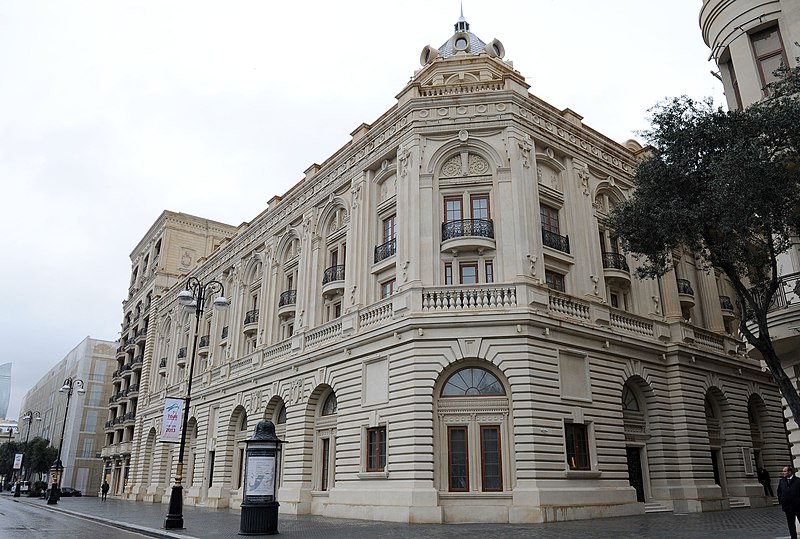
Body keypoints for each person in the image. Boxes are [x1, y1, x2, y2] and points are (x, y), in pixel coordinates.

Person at [778, 465, 800, 539]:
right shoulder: (782, 481)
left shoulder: (798, 481)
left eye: (785, 471)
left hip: (798, 506)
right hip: (787, 507)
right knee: (791, 524)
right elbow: (779, 492)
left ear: (790, 472)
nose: (783, 473)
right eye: (783, 471)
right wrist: (782, 500)